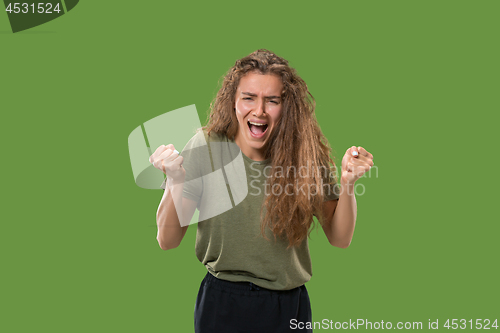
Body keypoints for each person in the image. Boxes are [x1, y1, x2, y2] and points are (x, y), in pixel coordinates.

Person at [149, 49, 374, 333]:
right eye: (249, 98)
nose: (259, 111)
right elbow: (167, 240)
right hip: (222, 303)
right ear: (233, 101)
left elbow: (340, 238)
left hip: (287, 305)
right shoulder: (206, 147)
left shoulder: (304, 154)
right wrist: (176, 180)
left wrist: (348, 182)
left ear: (286, 106)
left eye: (272, 100)